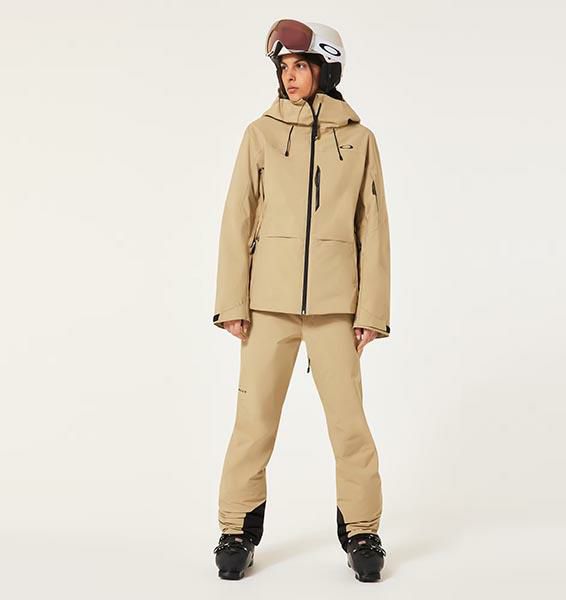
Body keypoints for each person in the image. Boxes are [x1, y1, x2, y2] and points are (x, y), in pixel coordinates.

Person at [211, 19, 390, 582]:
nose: (290, 77)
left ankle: (362, 531)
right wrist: (232, 301)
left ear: (326, 70)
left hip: (337, 308)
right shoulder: (260, 134)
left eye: (301, 66)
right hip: (268, 304)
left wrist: (372, 312)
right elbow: (237, 218)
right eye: (283, 67)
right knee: (253, 423)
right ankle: (235, 530)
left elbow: (374, 229)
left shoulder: (359, 140)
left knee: (350, 427)